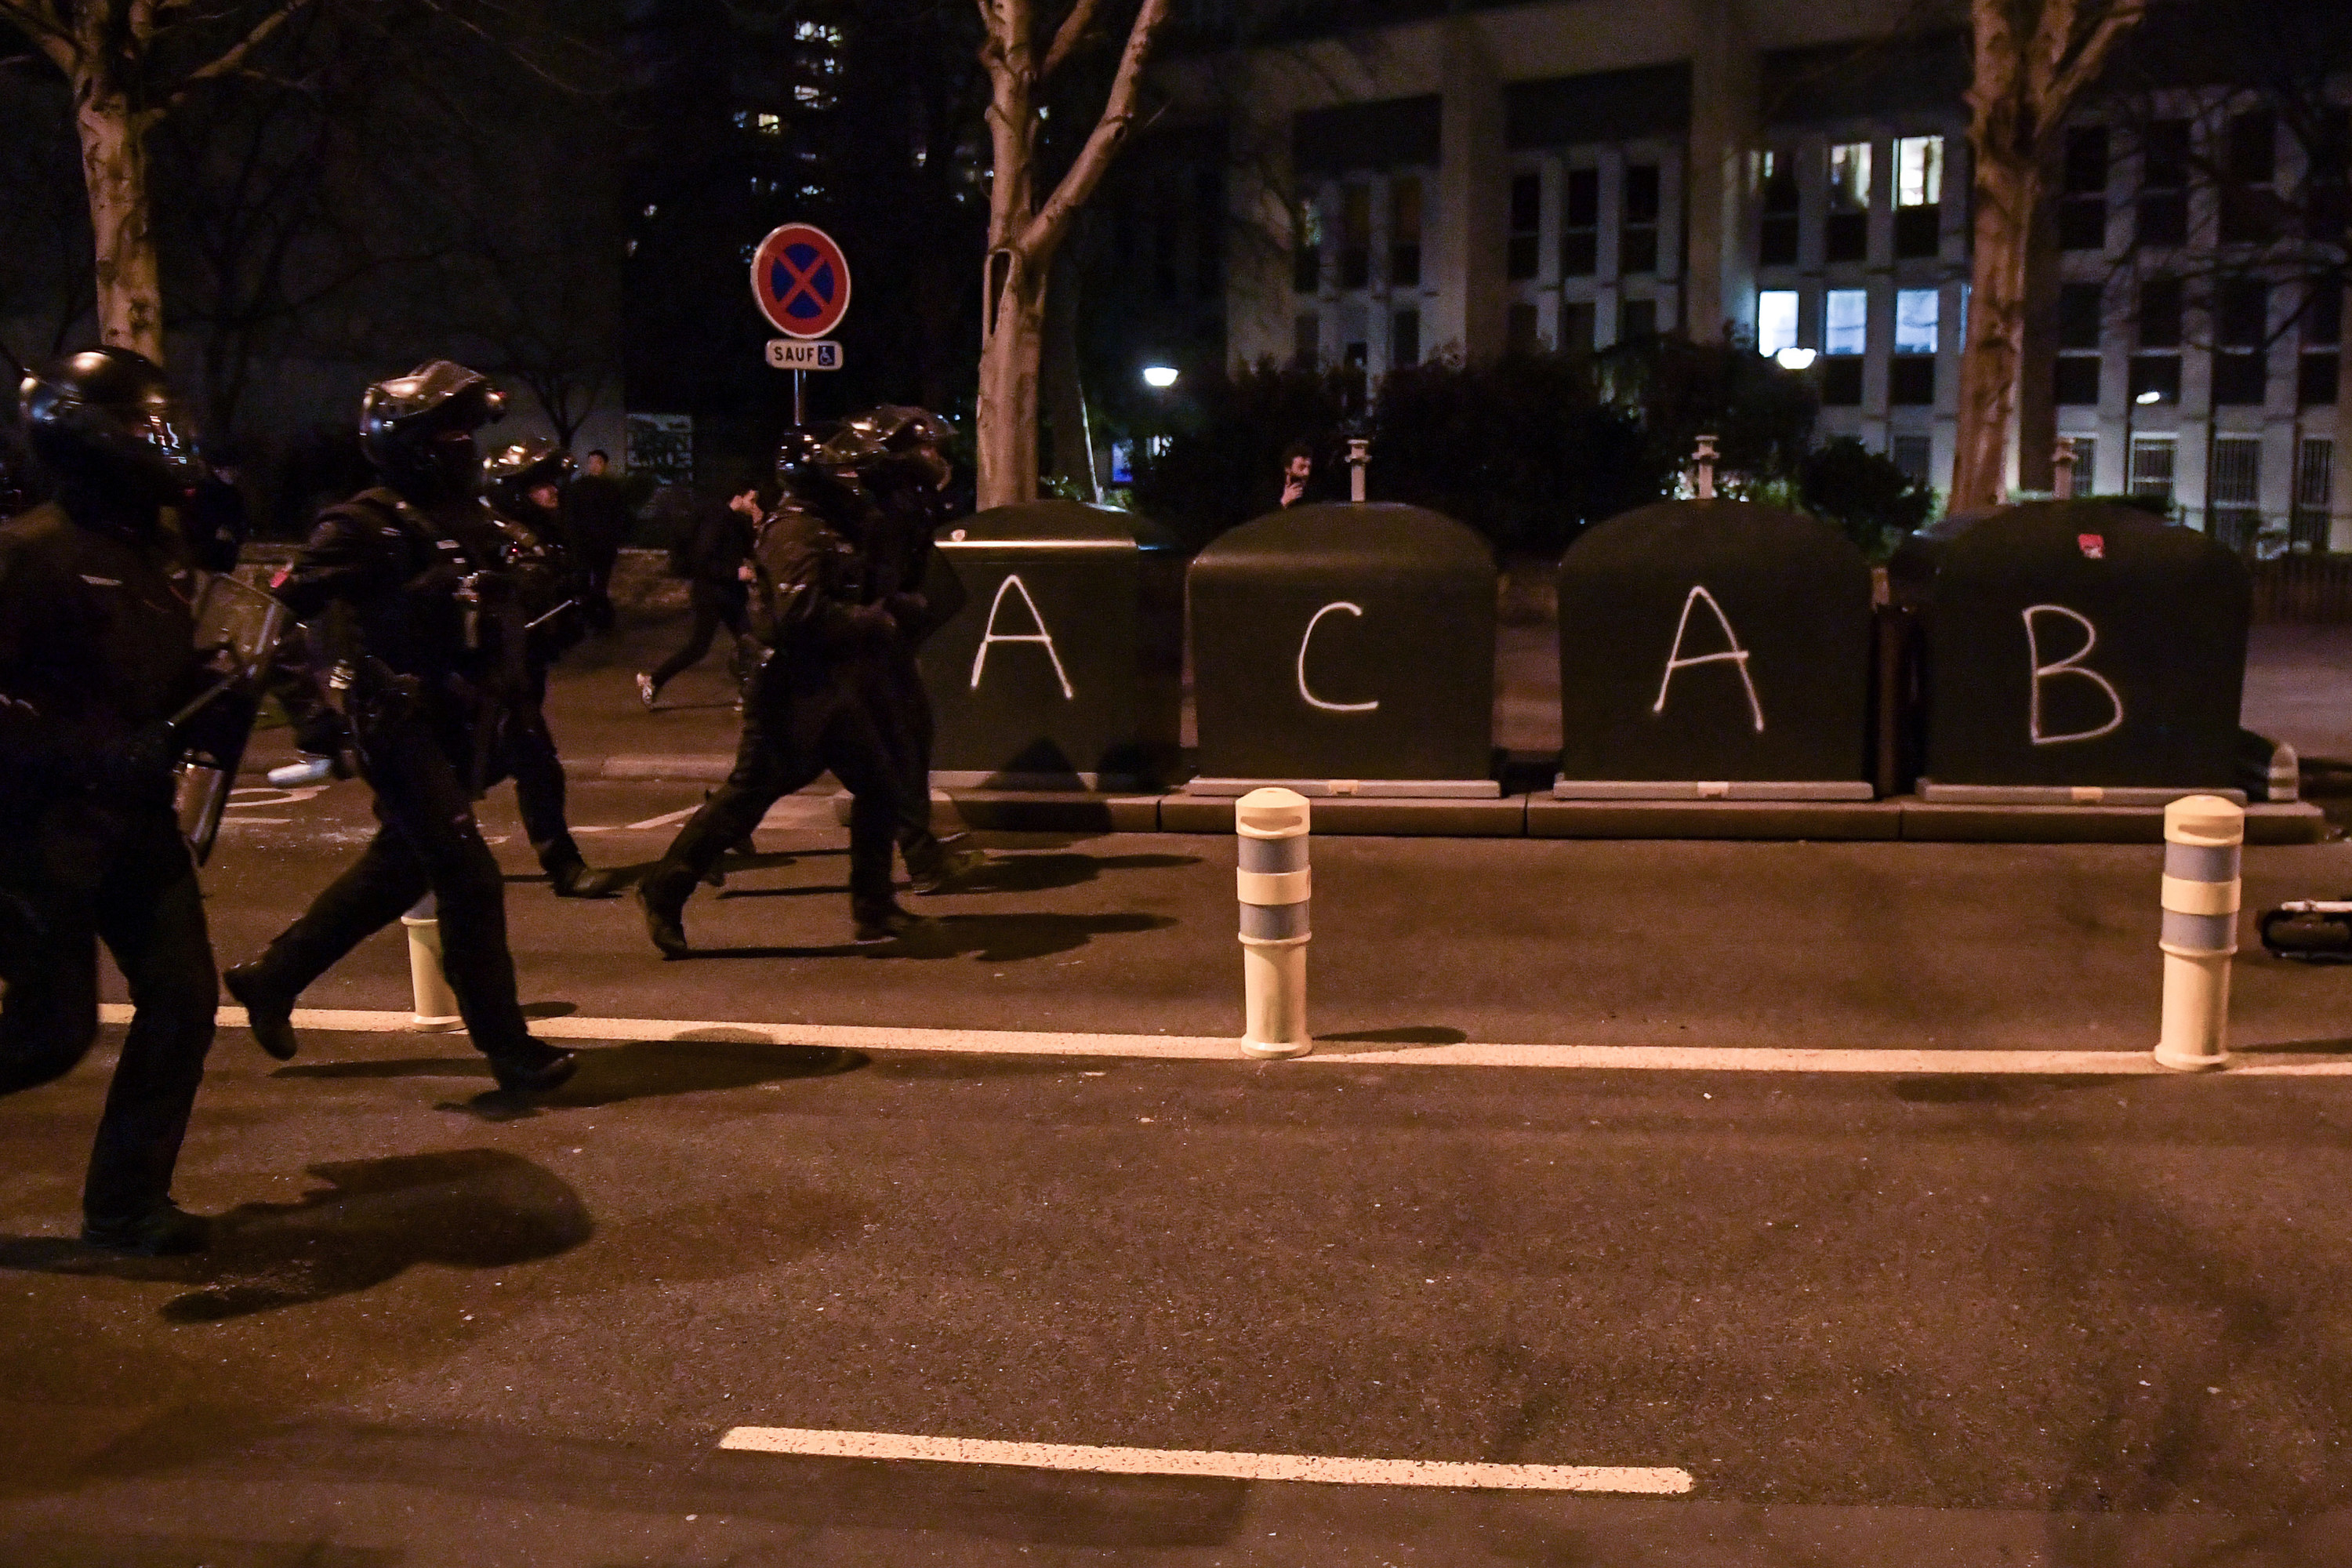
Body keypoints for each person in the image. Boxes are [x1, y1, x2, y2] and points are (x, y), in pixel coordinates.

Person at [222, 362, 576, 1096]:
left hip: (462, 724)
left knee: (400, 868)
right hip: (399, 724)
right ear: (411, 443)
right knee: (469, 879)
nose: (465, 446)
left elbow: (509, 609)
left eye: (467, 432)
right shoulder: (362, 524)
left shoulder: (470, 517)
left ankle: (271, 976)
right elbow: (271, 614)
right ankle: (510, 1050)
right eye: (450, 432)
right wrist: (313, 715)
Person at [0, 348, 224, 1254]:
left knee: (182, 999)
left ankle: (126, 1203)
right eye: (140, 423)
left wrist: (225, 684)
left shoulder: (159, 554)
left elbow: (163, 679)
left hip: (136, 823)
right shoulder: (30, 552)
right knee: (52, 1034)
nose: (160, 440)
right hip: (38, 830)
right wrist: (84, 751)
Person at [635, 426, 927, 955]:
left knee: (880, 788)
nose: (852, 484)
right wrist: (873, 623)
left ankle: (874, 905)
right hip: (788, 688)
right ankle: (663, 888)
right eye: (841, 474)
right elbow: (797, 614)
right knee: (745, 799)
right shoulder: (796, 529)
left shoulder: (831, 523)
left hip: (827, 683)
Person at [839, 405, 984, 892]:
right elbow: (882, 580)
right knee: (899, 746)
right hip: (873, 640)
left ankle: (916, 860)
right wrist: (911, 607)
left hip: (879, 638)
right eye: (926, 448)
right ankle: (914, 866)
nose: (935, 457)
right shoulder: (888, 504)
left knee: (891, 748)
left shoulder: (904, 497)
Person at [483, 438, 619, 898]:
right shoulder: (490, 540)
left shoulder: (545, 537)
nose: (553, 493)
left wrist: (582, 607)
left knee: (477, 770)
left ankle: (411, 847)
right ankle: (564, 867)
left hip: (523, 678)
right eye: (541, 486)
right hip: (491, 683)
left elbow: (554, 616)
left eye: (552, 483)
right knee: (537, 767)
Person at [636, 483, 756, 710]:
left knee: (748, 641)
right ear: (738, 498)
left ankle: (749, 694)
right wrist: (734, 573)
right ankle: (654, 680)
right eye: (752, 500)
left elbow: (744, 550)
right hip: (712, 594)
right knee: (699, 647)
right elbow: (702, 560)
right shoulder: (718, 519)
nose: (754, 505)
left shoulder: (735, 520)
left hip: (729, 593)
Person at [565, 448, 630, 633]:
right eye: (591, 462)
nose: (594, 466)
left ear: (605, 465)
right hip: (584, 544)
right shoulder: (578, 487)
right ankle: (590, 618)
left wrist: (615, 538)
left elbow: (620, 516)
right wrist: (573, 539)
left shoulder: (612, 489)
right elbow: (571, 516)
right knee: (583, 583)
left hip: (604, 545)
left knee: (600, 584)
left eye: (598, 462)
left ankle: (600, 620)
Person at [1279, 442, 1317, 509]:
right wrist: (1284, 502)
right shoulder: (1270, 492)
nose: (1307, 473)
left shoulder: (1314, 494)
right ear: (1288, 469)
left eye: (1309, 467)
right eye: (1301, 467)